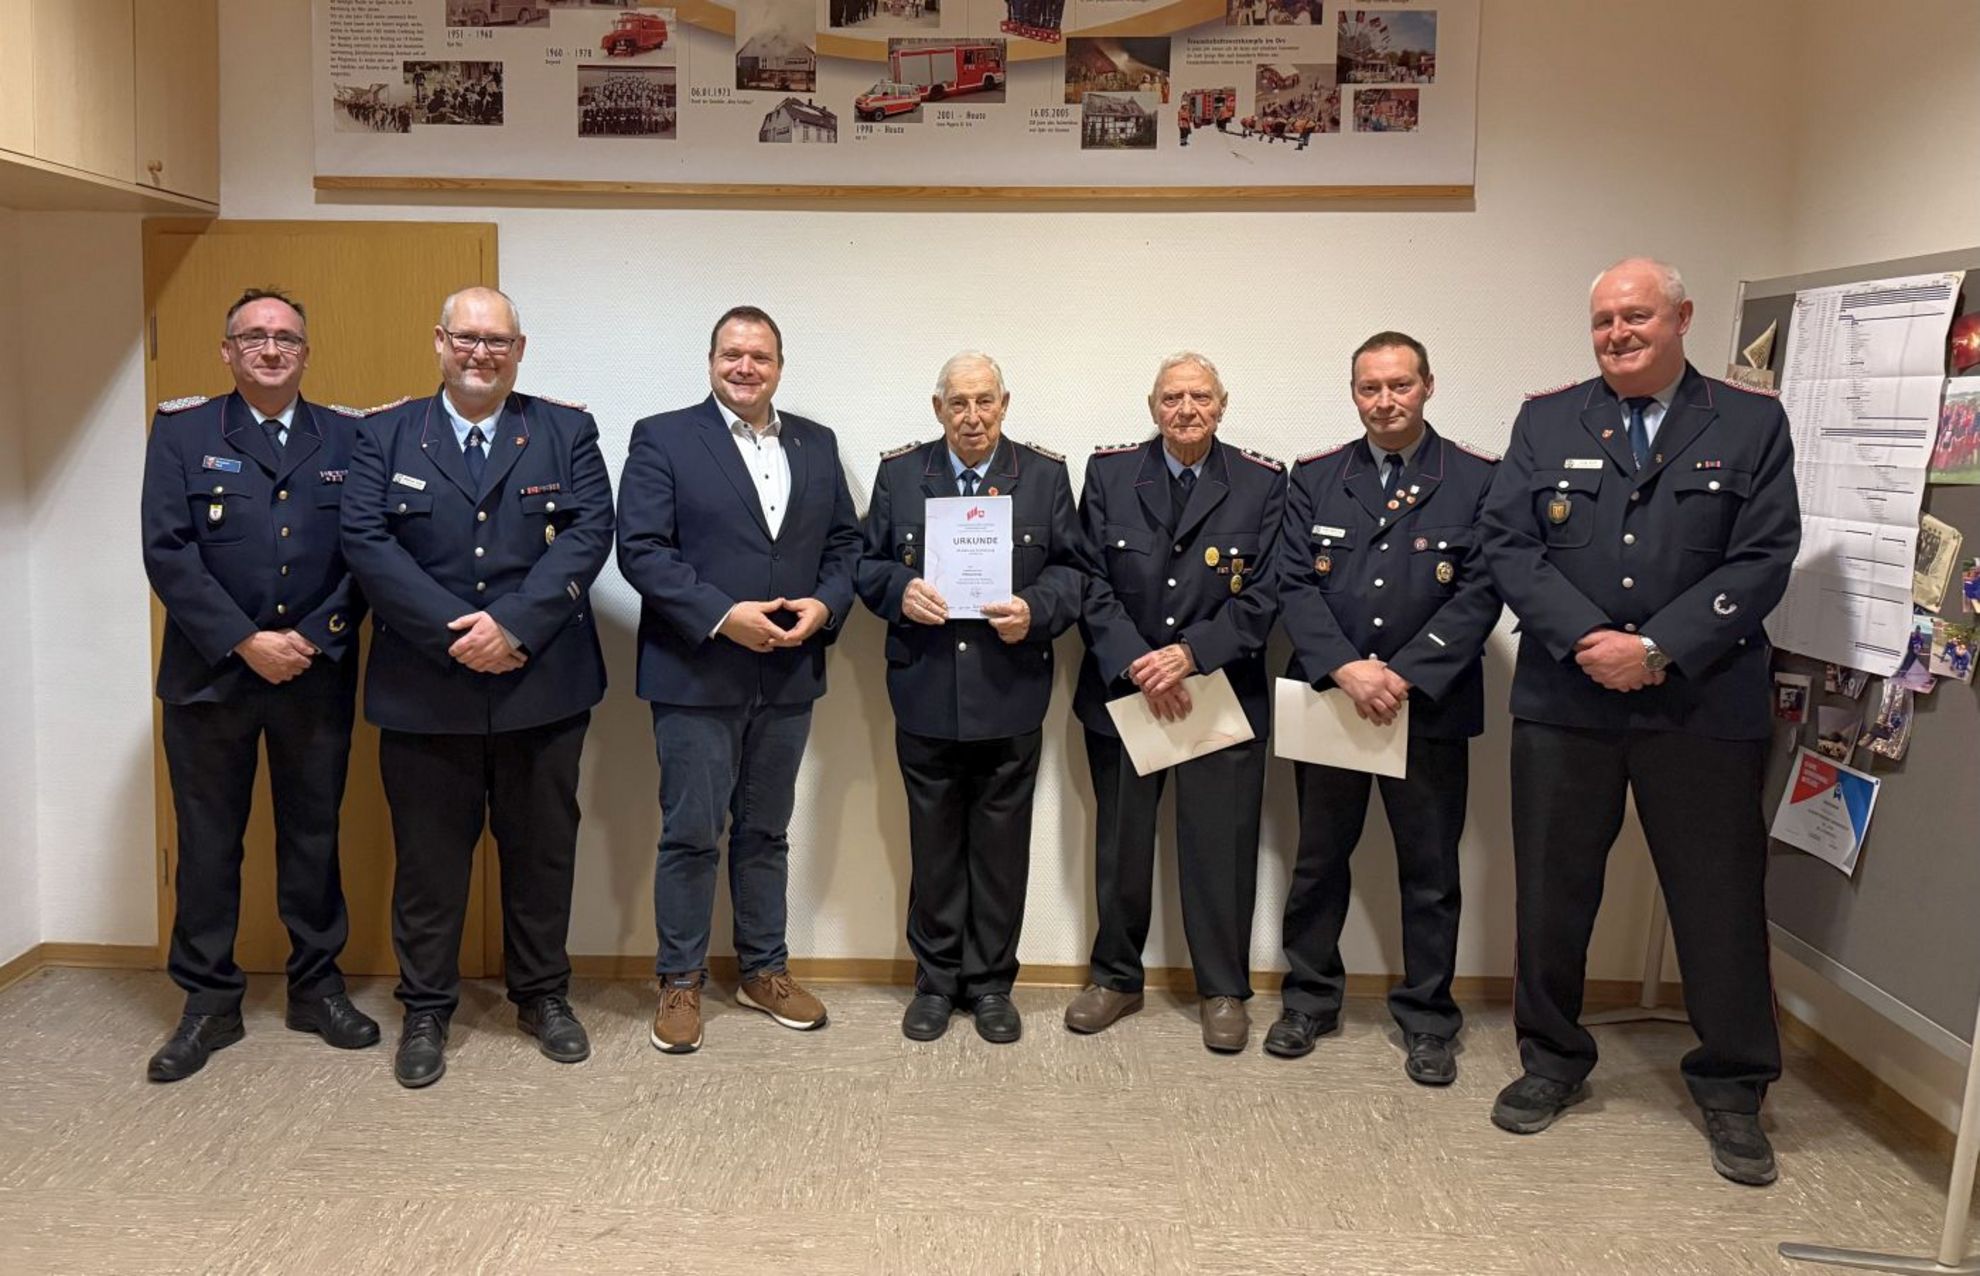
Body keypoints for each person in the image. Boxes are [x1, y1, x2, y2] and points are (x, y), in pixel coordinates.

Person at [1478, 258, 1800, 1185]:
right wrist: (1589, 639)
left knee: (1718, 899)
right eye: (1604, 321)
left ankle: (1733, 1086)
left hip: (1701, 699)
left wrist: (1656, 648)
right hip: (1567, 696)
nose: (1618, 333)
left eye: (1637, 316)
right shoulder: (1548, 419)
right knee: (1551, 892)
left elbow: (1764, 556)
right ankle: (1552, 1060)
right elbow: (1509, 542)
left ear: (1682, 318)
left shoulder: (1748, 421)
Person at [341, 286, 614, 1089]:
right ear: (439, 341)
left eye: (497, 341)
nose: (480, 353)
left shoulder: (565, 430)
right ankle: (427, 1007)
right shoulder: (384, 434)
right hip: (426, 689)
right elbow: (366, 541)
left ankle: (543, 995)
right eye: (466, 338)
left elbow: (589, 533)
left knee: (542, 854)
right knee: (429, 864)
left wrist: (514, 627)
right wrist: (458, 634)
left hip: (542, 684)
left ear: (519, 351)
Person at [139, 288, 378, 1082]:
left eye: (286, 338)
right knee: (209, 844)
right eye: (253, 337)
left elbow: (367, 552)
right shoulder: (183, 433)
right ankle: (208, 1000)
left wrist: (312, 636)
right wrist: (246, 641)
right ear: (227, 351)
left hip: (313, 673)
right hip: (210, 676)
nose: (271, 349)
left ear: (306, 353)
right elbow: (167, 551)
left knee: (313, 836)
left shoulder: (348, 436)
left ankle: (316, 988)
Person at [617, 306, 860, 1055]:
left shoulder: (817, 442)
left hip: (788, 673)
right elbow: (642, 549)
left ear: (780, 366)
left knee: (766, 832)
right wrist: (724, 617)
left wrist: (825, 605)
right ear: (711, 360)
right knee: (691, 834)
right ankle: (680, 979)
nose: (745, 367)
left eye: (760, 356)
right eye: (732, 354)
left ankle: (764, 970)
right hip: (696, 673)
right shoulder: (662, 437)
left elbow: (846, 544)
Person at [1269, 331, 1501, 1083]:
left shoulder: (1474, 478)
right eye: (1370, 388)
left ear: (1428, 386)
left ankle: (1429, 1020)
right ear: (1354, 394)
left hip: (1425, 707)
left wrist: (1401, 675)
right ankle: (1309, 999)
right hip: (1332, 702)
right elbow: (1293, 582)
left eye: (1400, 385)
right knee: (1318, 861)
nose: (1385, 401)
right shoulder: (1317, 477)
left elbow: (1483, 591)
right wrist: (1346, 668)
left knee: (1429, 872)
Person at [857, 352, 1088, 1044]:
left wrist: (1036, 609)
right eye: (958, 403)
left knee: (1000, 850)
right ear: (938, 409)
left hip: (1008, 691)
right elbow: (864, 564)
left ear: (1005, 404)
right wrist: (900, 590)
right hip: (925, 690)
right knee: (932, 848)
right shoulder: (902, 474)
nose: (973, 416)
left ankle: (990, 984)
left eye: (985, 401)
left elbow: (1074, 571)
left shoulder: (1042, 476)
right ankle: (935, 982)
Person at [1066, 352, 1285, 1053]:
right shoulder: (1110, 474)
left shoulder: (1261, 482)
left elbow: (1267, 593)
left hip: (1218, 694)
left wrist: (1190, 654)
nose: (1185, 409)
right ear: (1152, 405)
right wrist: (1139, 658)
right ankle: (1115, 978)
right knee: (1121, 847)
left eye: (1200, 397)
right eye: (1171, 397)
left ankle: (1223, 989)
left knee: (1221, 849)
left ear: (1223, 404)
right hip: (1127, 691)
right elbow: (1087, 578)